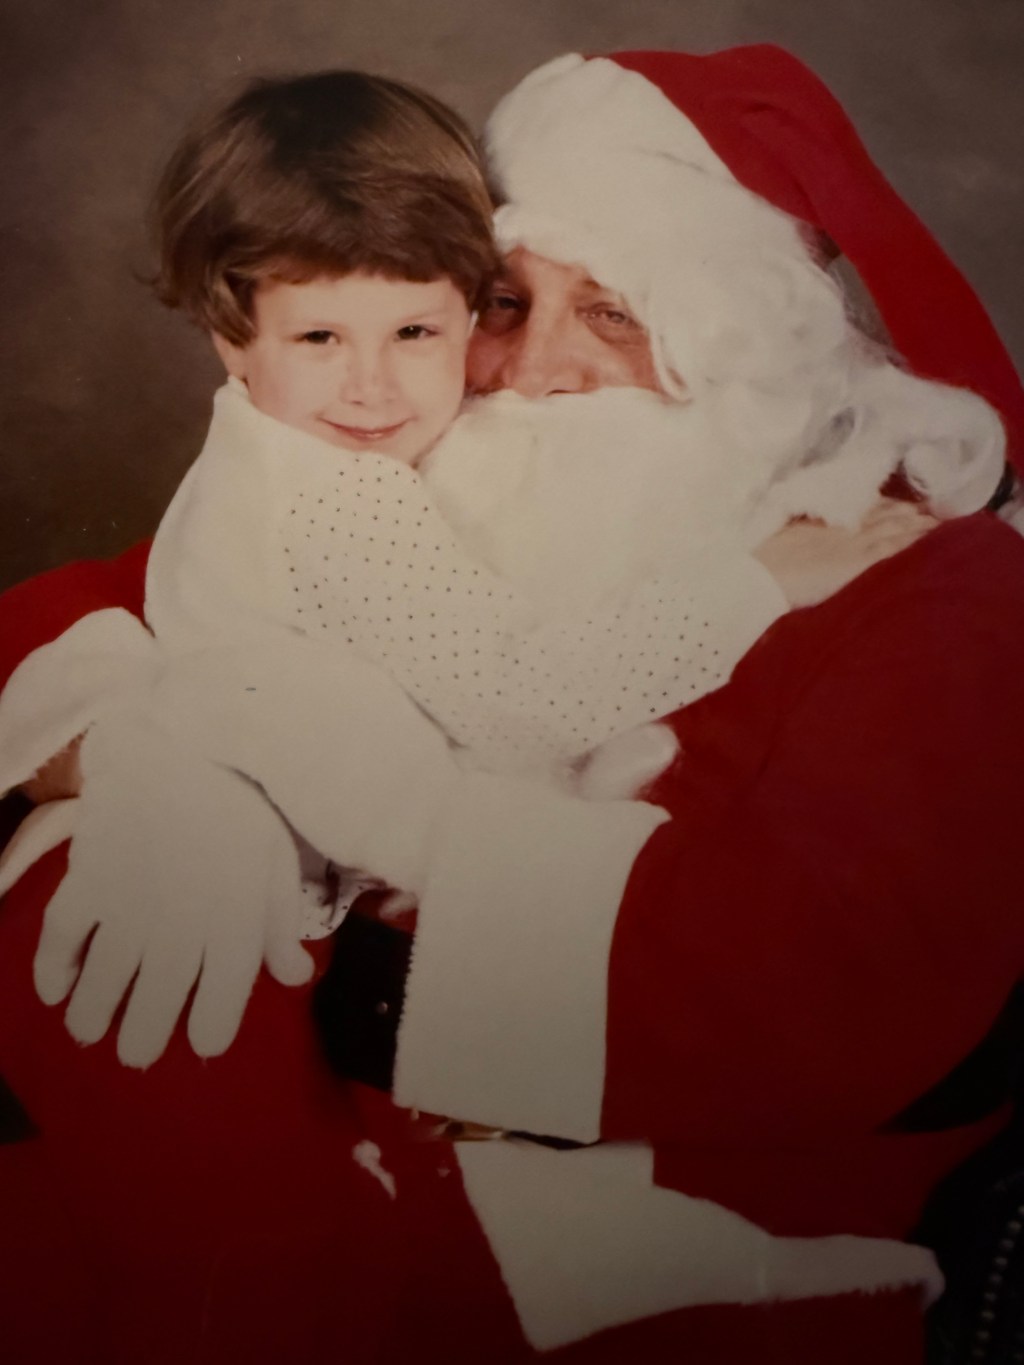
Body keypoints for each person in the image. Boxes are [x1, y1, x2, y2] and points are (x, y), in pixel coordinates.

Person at [2, 44, 1024, 1365]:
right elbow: (108, 611)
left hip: (642, 1234)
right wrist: (147, 760)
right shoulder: (410, 463)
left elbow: (817, 993)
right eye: (500, 303)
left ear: (753, 349)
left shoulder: (935, 578)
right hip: (313, 1160)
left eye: (615, 314)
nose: (534, 372)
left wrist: (336, 901)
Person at [0, 67, 930, 1070]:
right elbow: (523, 698)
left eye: (416, 333)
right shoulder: (345, 493)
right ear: (234, 341)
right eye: (507, 304)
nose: (372, 388)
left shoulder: (285, 435)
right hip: (337, 898)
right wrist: (757, 588)